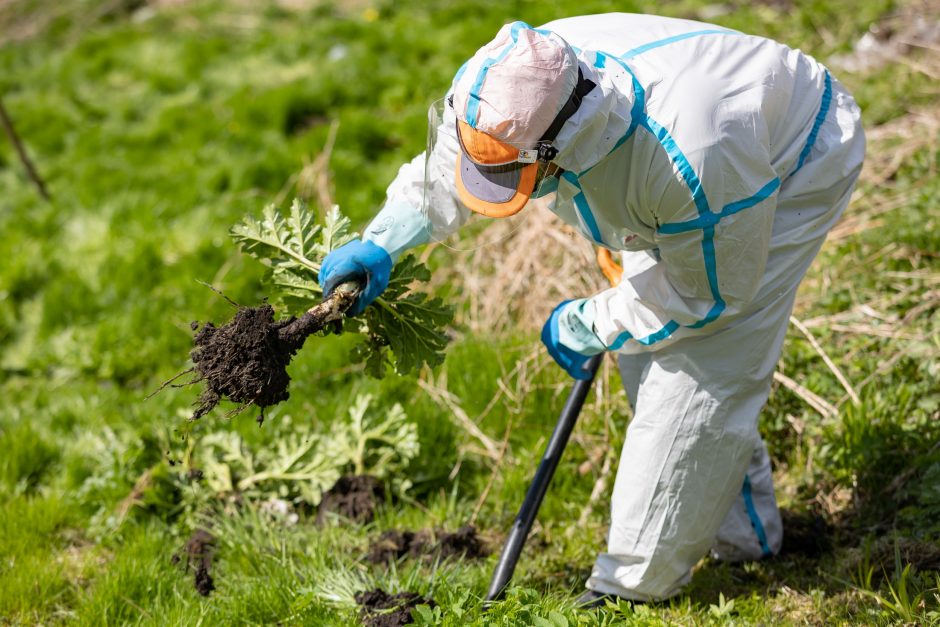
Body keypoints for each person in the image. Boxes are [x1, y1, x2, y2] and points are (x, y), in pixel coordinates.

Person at [319, 13, 865, 604]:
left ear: (560, 149)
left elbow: (707, 297)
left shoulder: (693, 160)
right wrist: (386, 237)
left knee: (699, 370)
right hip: (678, 187)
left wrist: (592, 321)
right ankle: (745, 538)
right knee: (645, 347)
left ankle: (633, 586)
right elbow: (464, 149)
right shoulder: (515, 82)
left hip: (791, 157)